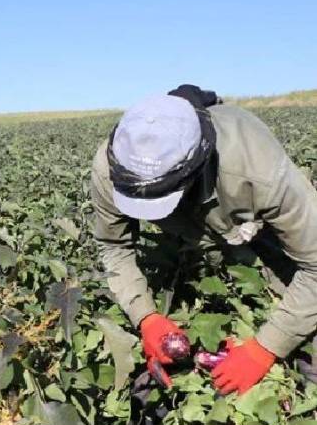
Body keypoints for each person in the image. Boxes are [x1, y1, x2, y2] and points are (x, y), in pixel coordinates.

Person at [91, 84, 317, 396]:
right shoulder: (112, 169)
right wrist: (146, 316)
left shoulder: (255, 167)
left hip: (263, 235)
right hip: (189, 248)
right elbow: (114, 246)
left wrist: (264, 348)